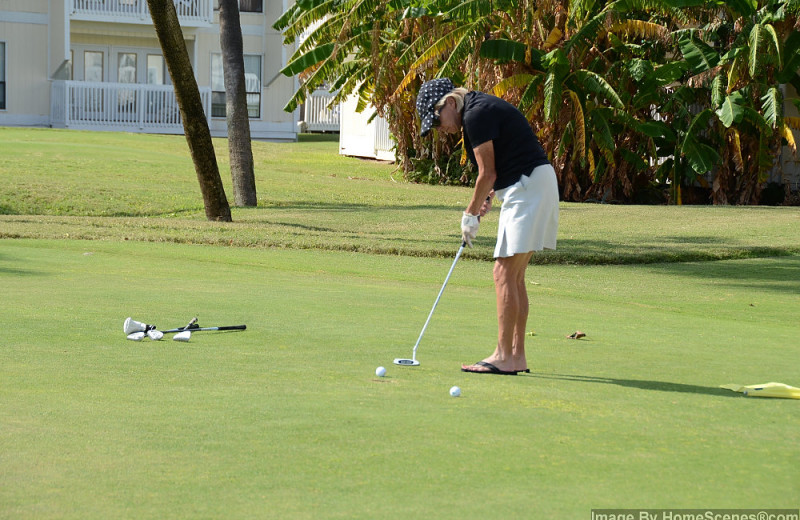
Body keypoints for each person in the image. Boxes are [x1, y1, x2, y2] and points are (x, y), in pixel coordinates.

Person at [416, 78, 559, 375]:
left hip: (528, 187)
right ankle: (516, 356)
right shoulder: (478, 109)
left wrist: (469, 214)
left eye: (437, 119)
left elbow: (487, 173)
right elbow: (503, 162)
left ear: (450, 103)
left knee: (503, 272)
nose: (440, 128)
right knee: (514, 275)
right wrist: (489, 198)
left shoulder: (475, 114)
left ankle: (504, 356)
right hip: (530, 183)